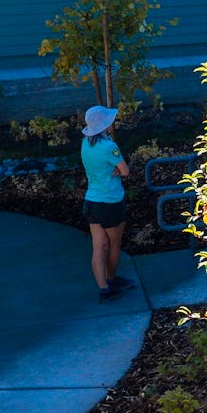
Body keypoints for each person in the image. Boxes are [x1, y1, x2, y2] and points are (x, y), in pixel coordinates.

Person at [80, 104, 134, 302]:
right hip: (111, 201)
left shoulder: (85, 144)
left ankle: (103, 289)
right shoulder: (109, 146)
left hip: (92, 201)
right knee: (113, 244)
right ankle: (111, 279)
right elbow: (125, 170)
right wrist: (118, 171)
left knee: (98, 246)